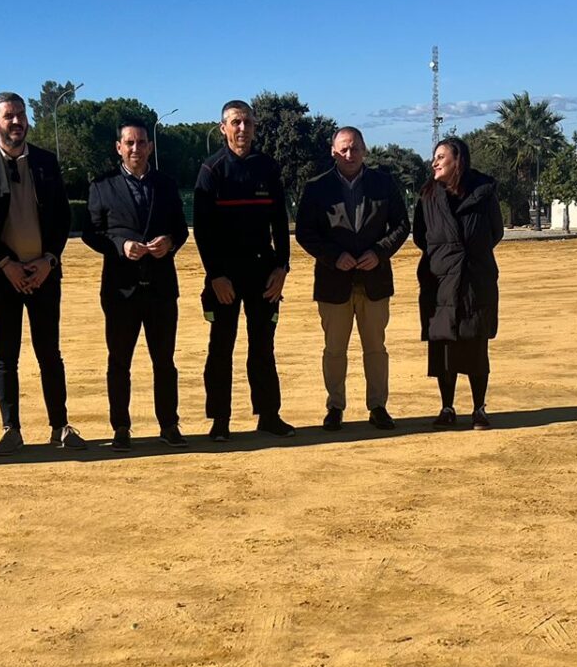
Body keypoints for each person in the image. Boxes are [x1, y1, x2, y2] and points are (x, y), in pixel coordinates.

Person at [0, 91, 86, 453]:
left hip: (44, 273)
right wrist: (6, 264)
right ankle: (11, 428)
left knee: (50, 352)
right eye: (8, 116)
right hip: (3, 277)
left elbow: (62, 216)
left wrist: (49, 259)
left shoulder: (46, 161)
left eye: (20, 115)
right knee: (6, 354)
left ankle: (60, 426)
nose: (16, 122)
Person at [293, 126, 412, 431]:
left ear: (364, 150)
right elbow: (305, 232)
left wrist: (380, 252)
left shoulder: (383, 183)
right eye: (343, 149)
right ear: (333, 152)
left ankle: (378, 406)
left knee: (376, 349)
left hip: (375, 281)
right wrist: (334, 256)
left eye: (355, 148)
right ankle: (335, 406)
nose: (349, 154)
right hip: (334, 282)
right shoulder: (317, 187)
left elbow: (401, 225)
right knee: (334, 351)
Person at [84, 118, 189, 448]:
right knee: (119, 362)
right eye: (129, 143)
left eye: (141, 142)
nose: (136, 148)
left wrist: (170, 241)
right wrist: (120, 246)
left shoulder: (167, 184)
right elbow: (91, 232)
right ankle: (120, 428)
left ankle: (169, 424)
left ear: (150, 147)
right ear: (119, 148)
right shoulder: (102, 185)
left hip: (160, 288)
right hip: (120, 289)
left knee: (164, 362)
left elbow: (181, 229)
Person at [193, 99, 293, 440]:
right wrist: (215, 275)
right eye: (235, 122)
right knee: (221, 347)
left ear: (254, 127)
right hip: (224, 276)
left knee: (263, 347)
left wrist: (282, 266)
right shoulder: (211, 170)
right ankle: (220, 420)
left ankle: (268, 414)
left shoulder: (268, 167)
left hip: (263, 272)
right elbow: (202, 231)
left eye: (247, 122)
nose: (242, 128)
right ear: (223, 128)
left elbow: (281, 222)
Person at [412, 135, 503, 429]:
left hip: (475, 280)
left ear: (457, 160)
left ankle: (479, 408)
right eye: (434, 157)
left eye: (440, 157)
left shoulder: (484, 191)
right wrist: (444, 255)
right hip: (439, 280)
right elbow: (419, 236)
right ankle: (447, 407)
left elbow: (495, 232)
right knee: (444, 347)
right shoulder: (427, 196)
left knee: (475, 345)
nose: (434, 162)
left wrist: (471, 254)